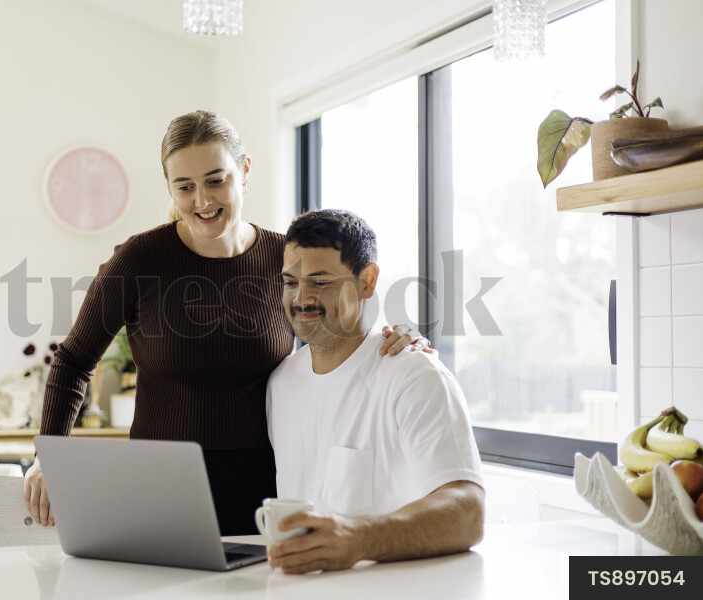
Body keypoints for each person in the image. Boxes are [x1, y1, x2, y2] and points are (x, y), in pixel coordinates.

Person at [25, 110, 425, 535]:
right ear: (171, 189)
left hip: (261, 482)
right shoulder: (139, 260)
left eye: (216, 180)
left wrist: (399, 340)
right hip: (157, 480)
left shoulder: (283, 259)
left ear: (245, 171)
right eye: (185, 186)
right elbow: (73, 361)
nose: (203, 200)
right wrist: (47, 454)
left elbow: (334, 336)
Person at [265, 209, 485, 573]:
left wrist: (358, 539)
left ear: (367, 281)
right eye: (290, 282)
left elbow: (468, 512)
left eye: (320, 281)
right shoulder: (279, 385)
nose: (302, 298)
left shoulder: (414, 376)